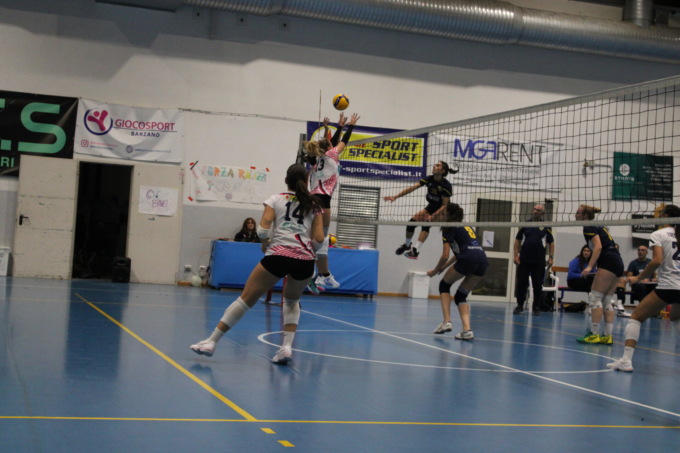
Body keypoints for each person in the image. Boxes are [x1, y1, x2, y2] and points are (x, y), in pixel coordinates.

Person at [189, 164, 324, 364]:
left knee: (245, 299)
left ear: (286, 180)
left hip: (278, 255)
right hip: (304, 260)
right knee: (292, 301)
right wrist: (306, 250)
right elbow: (319, 239)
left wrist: (265, 243)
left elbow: (262, 231)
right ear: (306, 181)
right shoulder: (314, 205)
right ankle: (286, 347)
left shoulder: (276, 199)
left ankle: (211, 342)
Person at [608, 204, 680, 372]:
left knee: (635, 317)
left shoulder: (658, 234)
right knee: (675, 318)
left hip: (668, 286)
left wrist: (638, 278)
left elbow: (656, 261)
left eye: (660, 214)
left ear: (667, 216)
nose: (657, 216)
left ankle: (626, 360)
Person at [305, 112, 360, 289]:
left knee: (321, 239)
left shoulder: (317, 159)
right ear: (329, 146)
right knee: (320, 239)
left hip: (316, 197)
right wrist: (350, 126)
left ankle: (322, 274)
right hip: (321, 199)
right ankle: (314, 273)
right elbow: (344, 141)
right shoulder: (331, 155)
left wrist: (339, 126)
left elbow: (332, 141)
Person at [426, 203, 488, 340]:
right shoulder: (466, 227)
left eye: (442, 214)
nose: (440, 216)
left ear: (448, 215)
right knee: (461, 296)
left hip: (468, 259)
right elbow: (460, 252)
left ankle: (447, 322)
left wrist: (435, 271)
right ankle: (467, 330)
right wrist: (444, 267)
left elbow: (445, 255)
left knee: (444, 285)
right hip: (482, 261)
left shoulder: (449, 228)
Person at [384, 161, 457, 260]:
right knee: (411, 223)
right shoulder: (429, 179)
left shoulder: (446, 185)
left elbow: (445, 205)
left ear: (442, 171)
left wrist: (433, 216)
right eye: (435, 164)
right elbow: (412, 188)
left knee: (426, 224)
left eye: (437, 165)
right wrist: (395, 196)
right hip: (431, 206)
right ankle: (407, 245)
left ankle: (415, 251)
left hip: (443, 210)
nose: (434, 166)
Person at [574, 204, 624, 345]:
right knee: (607, 299)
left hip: (608, 261)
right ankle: (607, 336)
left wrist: (590, 266)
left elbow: (598, 247)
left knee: (595, 297)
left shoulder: (588, 226)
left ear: (585, 216)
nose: (575, 215)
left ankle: (594, 334)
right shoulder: (597, 225)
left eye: (578, 212)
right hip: (617, 261)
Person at [512, 204, 555, 316]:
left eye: (539, 210)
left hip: (539, 261)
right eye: (535, 209)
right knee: (521, 283)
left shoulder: (546, 226)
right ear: (532, 210)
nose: (536, 211)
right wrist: (516, 255)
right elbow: (517, 240)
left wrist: (551, 257)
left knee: (537, 284)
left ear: (542, 213)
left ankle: (536, 306)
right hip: (524, 260)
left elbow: (551, 242)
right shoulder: (525, 225)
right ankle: (520, 305)